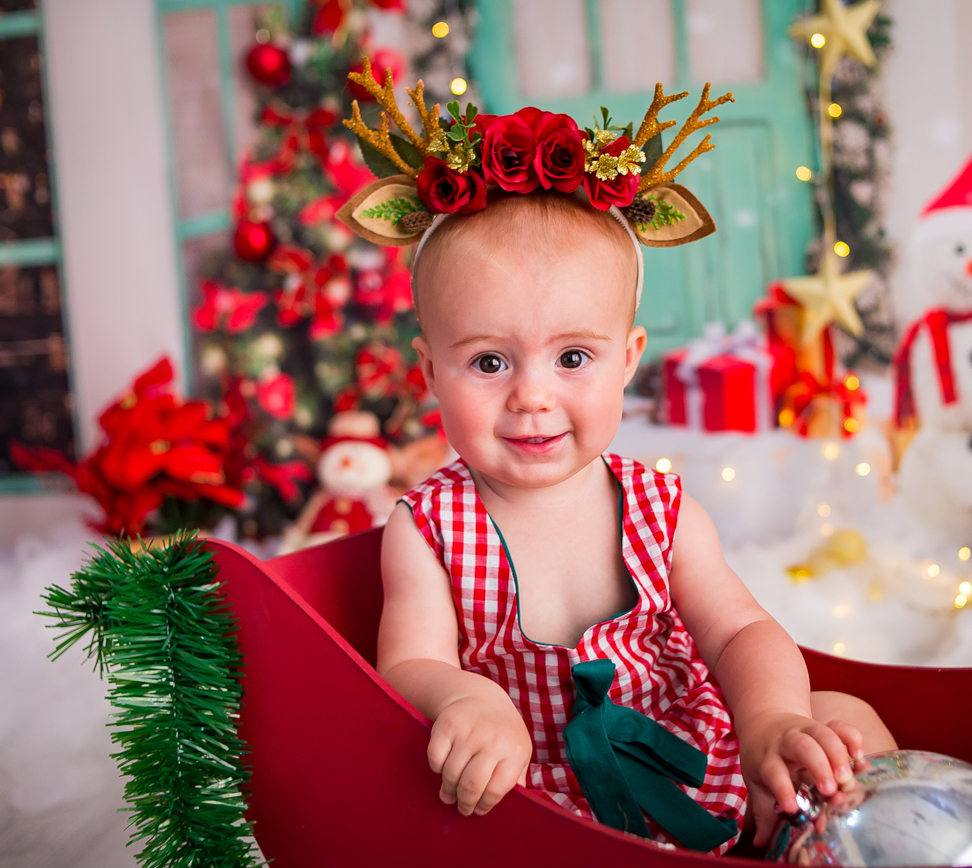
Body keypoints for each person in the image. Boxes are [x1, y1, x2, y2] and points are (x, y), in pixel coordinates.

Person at [340, 74, 898, 855]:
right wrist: (468, 700)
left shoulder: (657, 507)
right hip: (535, 796)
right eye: (489, 363)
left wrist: (771, 720)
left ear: (629, 360)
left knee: (845, 723)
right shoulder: (429, 528)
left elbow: (738, 632)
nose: (532, 397)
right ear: (430, 371)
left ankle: (819, 842)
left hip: (693, 756)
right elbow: (410, 662)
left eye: (573, 357)